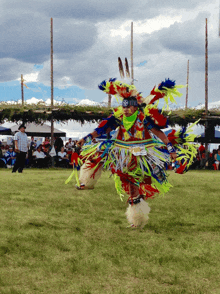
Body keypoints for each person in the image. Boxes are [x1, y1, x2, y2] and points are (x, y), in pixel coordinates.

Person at [73, 78, 198, 229]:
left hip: (143, 154)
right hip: (122, 151)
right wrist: (86, 138)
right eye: (124, 107)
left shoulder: (143, 118)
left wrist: (171, 149)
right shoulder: (119, 117)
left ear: (135, 107)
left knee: (138, 185)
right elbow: (102, 129)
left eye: (129, 107)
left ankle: (137, 218)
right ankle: (86, 182)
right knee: (100, 152)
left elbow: (158, 133)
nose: (125, 109)